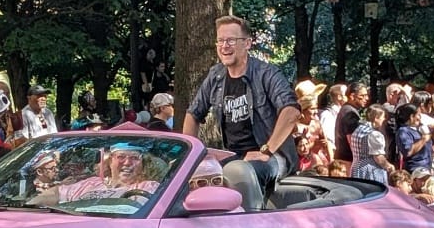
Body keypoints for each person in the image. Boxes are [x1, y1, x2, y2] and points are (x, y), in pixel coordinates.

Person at [183, 15, 300, 210]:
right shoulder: (216, 75)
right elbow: (193, 114)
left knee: (239, 172)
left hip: (271, 157)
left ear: (247, 43)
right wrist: (190, 157)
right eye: (220, 40)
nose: (224, 46)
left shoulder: (267, 73)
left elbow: (291, 112)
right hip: (234, 156)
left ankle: (250, 224)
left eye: (230, 40)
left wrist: (267, 150)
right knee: (195, 176)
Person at [30, 142, 160, 204]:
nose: (127, 163)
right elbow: (56, 192)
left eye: (134, 158)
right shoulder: (91, 183)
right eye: (121, 157)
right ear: (110, 161)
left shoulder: (148, 187)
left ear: (142, 163)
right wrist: (30, 207)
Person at [349, 105, 394, 185]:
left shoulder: (358, 129)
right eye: (383, 117)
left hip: (357, 168)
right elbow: (378, 158)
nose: (384, 119)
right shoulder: (374, 134)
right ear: (376, 118)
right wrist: (389, 166)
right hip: (370, 171)